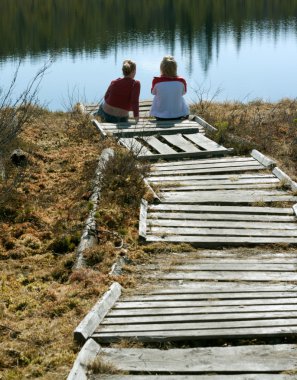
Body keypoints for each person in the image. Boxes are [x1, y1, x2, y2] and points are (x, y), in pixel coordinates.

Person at [150, 56, 189, 120]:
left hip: (160, 116)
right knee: (180, 97)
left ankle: (159, 112)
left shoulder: (156, 81)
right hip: (178, 115)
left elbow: (153, 93)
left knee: (156, 96)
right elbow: (183, 93)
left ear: (162, 68)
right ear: (175, 68)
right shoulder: (181, 81)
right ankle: (182, 113)